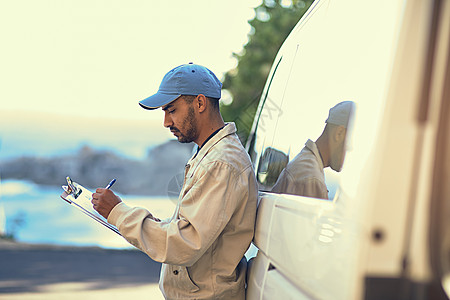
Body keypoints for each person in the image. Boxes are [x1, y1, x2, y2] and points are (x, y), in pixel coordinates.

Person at [91, 63, 258, 299]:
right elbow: (190, 230)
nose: (166, 122)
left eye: (172, 110)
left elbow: (185, 243)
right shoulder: (211, 153)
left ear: (200, 103)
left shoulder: (221, 163)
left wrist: (118, 213)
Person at [271, 101, 355, 199]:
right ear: (339, 133)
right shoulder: (311, 179)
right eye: (350, 143)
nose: (351, 150)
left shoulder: (307, 165)